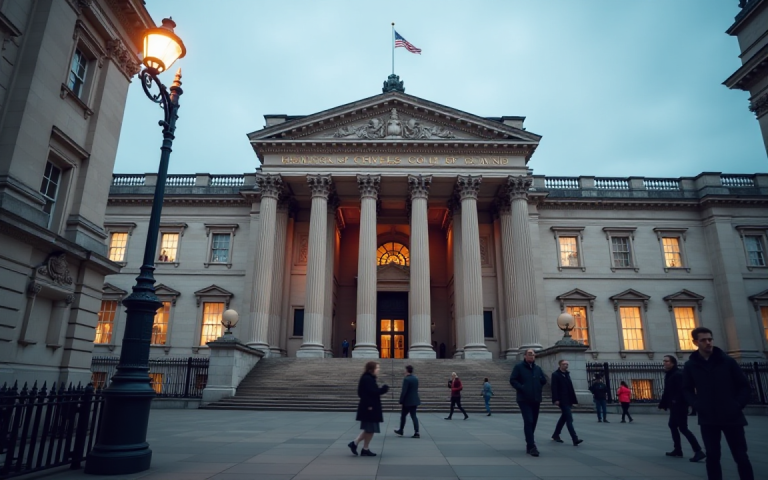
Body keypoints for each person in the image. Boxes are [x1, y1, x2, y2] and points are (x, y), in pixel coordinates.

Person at [683, 327, 754, 480]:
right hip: (708, 417)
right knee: (712, 456)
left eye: (710, 339)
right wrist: (697, 404)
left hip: (732, 416)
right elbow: (686, 389)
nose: (708, 343)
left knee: (741, 456)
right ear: (695, 342)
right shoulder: (690, 365)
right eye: (703, 340)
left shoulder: (728, 361)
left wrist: (737, 405)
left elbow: (744, 386)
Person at [659, 354, 706, 462]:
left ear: (673, 363)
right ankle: (678, 449)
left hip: (679, 405)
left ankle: (698, 450)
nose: (664, 363)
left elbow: (683, 390)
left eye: (667, 361)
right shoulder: (670, 374)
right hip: (674, 405)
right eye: (664, 361)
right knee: (672, 425)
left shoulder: (678, 374)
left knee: (683, 428)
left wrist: (677, 401)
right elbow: (667, 391)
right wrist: (664, 403)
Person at [510, 348, 547, 456]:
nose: (532, 356)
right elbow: (513, 380)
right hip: (524, 399)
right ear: (525, 356)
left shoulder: (537, 368)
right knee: (529, 421)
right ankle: (531, 446)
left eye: (534, 355)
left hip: (536, 398)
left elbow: (543, 380)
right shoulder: (519, 367)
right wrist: (522, 388)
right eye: (530, 354)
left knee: (533, 422)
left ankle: (529, 443)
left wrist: (539, 385)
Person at [348, 361, 389, 457]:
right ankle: (359, 445)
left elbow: (366, 392)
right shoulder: (367, 379)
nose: (378, 369)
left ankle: (361, 446)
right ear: (372, 369)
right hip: (370, 408)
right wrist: (383, 389)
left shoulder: (368, 378)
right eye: (377, 368)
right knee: (370, 429)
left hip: (370, 407)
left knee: (369, 429)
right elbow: (370, 393)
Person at [550, 359, 584, 446]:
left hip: (568, 399)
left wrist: (573, 400)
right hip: (562, 400)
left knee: (564, 418)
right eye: (564, 364)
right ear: (560, 365)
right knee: (569, 419)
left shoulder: (567, 374)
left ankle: (556, 434)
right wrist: (556, 399)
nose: (566, 366)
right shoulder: (555, 375)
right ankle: (574, 438)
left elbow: (570, 388)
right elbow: (554, 388)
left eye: (567, 364)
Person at [394, 365, 420, 438]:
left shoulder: (406, 379)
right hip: (415, 400)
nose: (404, 371)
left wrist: (401, 400)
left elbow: (404, 391)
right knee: (414, 416)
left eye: (405, 370)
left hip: (407, 401)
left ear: (407, 370)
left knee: (403, 416)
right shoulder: (415, 378)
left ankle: (401, 430)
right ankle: (417, 432)